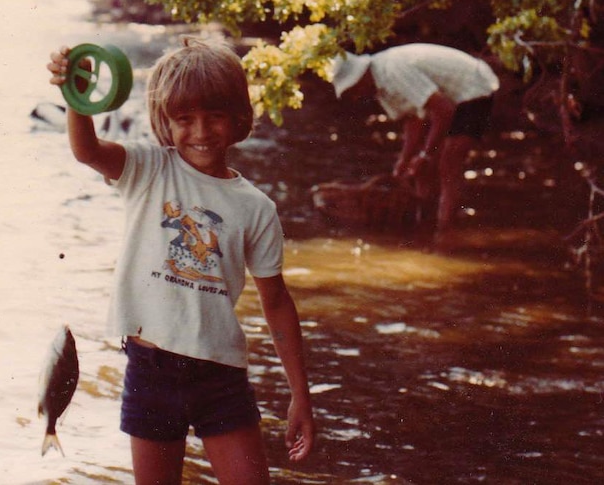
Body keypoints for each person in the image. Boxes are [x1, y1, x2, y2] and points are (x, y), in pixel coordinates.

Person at [46, 38, 314, 484]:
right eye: (184, 119)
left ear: (239, 118)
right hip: (150, 370)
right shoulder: (148, 169)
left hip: (221, 376)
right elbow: (87, 151)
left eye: (215, 116)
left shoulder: (256, 207)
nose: (201, 131)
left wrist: (299, 395)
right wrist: (76, 95)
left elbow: (277, 302)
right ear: (164, 122)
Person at [330, 43, 500, 237]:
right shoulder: (380, 86)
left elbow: (444, 111)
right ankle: (425, 223)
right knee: (421, 170)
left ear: (359, 78)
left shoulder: (392, 71)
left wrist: (426, 155)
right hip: (451, 99)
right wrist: (404, 161)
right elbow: (414, 120)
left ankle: (445, 232)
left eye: (352, 90)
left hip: (474, 87)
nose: (355, 97)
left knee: (448, 163)